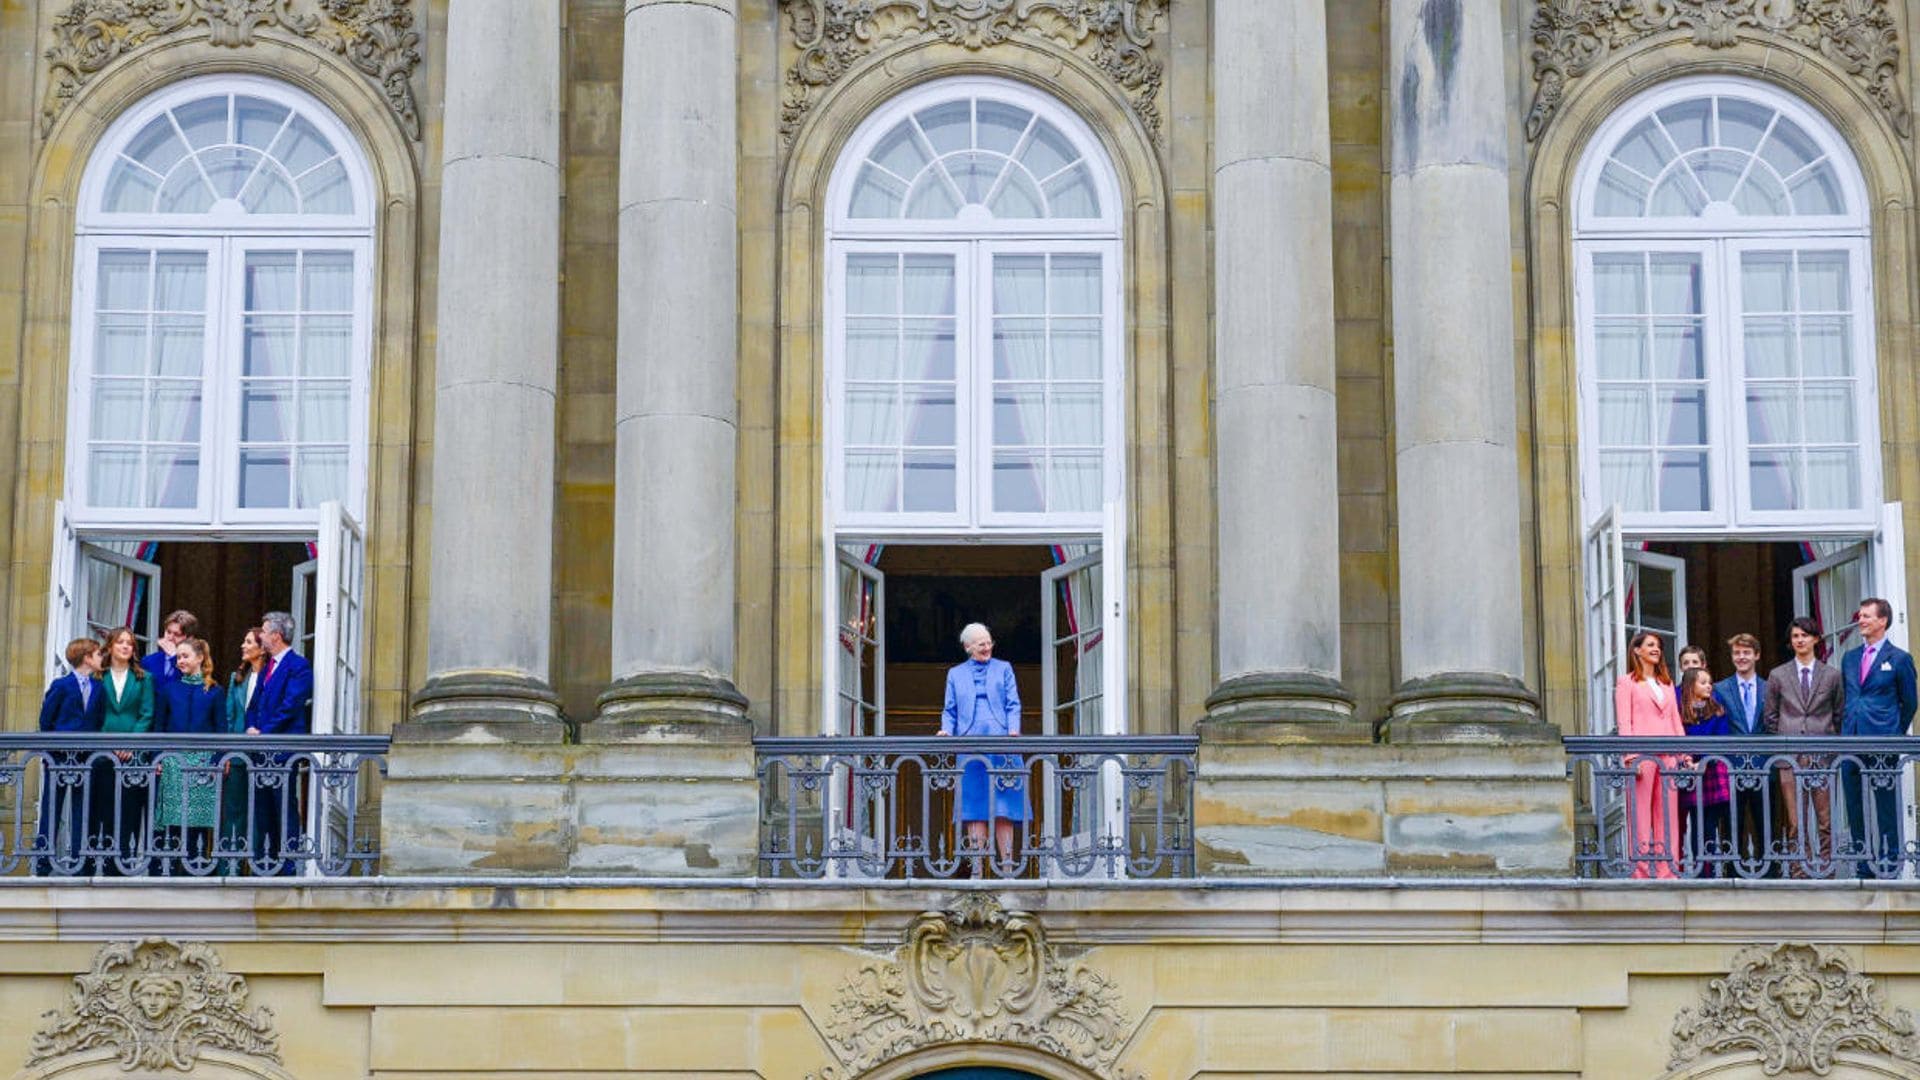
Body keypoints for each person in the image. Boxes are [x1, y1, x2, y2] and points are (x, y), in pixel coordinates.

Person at [1840, 598, 1919, 879]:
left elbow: (1909, 702)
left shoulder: (1899, 659)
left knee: (1885, 802)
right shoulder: (1849, 658)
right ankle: (1863, 861)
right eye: (1860, 616)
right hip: (1850, 738)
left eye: (1867, 616)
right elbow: (1848, 697)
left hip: (1882, 739)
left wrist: (1894, 734)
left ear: (1882, 621)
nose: (1861, 620)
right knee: (1853, 803)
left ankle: (1890, 862)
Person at [938, 622, 1025, 870]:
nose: (987, 648)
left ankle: (1007, 866)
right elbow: (950, 710)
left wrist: (1013, 730)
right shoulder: (955, 674)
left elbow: (1013, 704)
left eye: (989, 643)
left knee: (1004, 806)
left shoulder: (1004, 668)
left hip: (1002, 743)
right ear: (968, 647)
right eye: (981, 644)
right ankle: (977, 867)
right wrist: (946, 731)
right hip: (969, 744)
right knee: (973, 806)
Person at [1764, 617, 1843, 879]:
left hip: (1822, 754)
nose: (1800, 640)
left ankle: (1827, 869)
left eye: (1805, 636)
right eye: (1796, 636)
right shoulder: (1778, 675)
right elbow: (1771, 717)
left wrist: (1829, 741)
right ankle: (1800, 870)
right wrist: (1786, 742)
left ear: (1816, 639)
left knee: (1825, 820)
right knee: (1795, 820)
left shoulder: (1831, 675)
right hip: (1790, 757)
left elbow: (1838, 713)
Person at [245, 612, 312, 875]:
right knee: (262, 808)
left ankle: (288, 864)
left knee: (283, 805)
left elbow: (290, 706)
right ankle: (264, 863)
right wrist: (251, 727)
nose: (260, 635)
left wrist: (264, 732)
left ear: (276, 635)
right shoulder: (268, 666)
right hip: (261, 750)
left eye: (263, 631)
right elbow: (254, 704)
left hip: (282, 750)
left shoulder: (299, 666)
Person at [1615, 630, 1686, 879]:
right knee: (1641, 814)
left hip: (1668, 755)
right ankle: (1642, 871)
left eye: (1658, 646)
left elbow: (1676, 722)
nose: (1656, 649)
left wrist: (1683, 755)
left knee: (1667, 815)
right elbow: (1625, 721)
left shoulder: (1666, 684)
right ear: (1637, 650)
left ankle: (1669, 870)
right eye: (1650, 645)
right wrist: (1630, 755)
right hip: (1642, 755)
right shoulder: (1627, 682)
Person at [153, 638, 223, 874]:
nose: (180, 661)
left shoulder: (214, 691)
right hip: (174, 761)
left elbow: (221, 729)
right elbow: (159, 727)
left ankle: (197, 869)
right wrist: (158, 757)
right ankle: (171, 870)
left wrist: (217, 761)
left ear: (200, 658)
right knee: (174, 821)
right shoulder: (168, 689)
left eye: (185, 656)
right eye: (178, 657)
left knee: (199, 823)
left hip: (203, 764)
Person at [36, 638, 105, 874]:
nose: (101, 659)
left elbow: (98, 721)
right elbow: (47, 720)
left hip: (86, 757)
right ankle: (43, 862)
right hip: (59, 756)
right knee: (52, 808)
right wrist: (50, 752)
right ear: (86, 658)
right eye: (98, 654)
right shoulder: (62, 685)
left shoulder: (99, 688)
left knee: (81, 809)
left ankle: (79, 861)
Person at [1712, 633, 1773, 873]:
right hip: (1731, 765)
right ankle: (1732, 871)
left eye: (1746, 652)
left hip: (1764, 765)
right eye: (1737, 653)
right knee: (1731, 823)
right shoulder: (1720, 688)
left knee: (1765, 821)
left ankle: (1769, 871)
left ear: (1756, 655)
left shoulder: (1770, 687)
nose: (1741, 657)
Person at [96, 627, 155, 871]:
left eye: (129, 643)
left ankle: (126, 861)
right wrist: (108, 743)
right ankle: (105, 863)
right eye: (120, 642)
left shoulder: (143, 678)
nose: (125, 647)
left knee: (129, 810)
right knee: (104, 808)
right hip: (103, 752)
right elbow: (93, 715)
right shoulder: (98, 677)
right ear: (110, 646)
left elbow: (146, 713)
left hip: (134, 755)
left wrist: (130, 743)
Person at [1679, 667, 1733, 877]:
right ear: (1691, 685)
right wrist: (1689, 761)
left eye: (1709, 682)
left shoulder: (1717, 710)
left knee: (1711, 823)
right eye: (1703, 682)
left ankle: (1712, 869)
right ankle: (1701, 870)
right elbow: (1680, 736)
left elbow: (1722, 739)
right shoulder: (1682, 712)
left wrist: (1702, 759)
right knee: (1696, 821)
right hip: (1691, 773)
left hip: (1712, 770)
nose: (1709, 686)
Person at [222, 628, 266, 863]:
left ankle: (261, 866)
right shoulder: (237, 678)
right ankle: (229, 867)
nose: (243, 645)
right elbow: (229, 717)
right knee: (234, 813)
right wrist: (227, 753)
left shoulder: (270, 677)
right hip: (237, 754)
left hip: (263, 756)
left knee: (260, 815)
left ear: (261, 648)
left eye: (248, 642)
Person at [141, 610, 198, 688]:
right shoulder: (148, 661)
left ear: (189, 638)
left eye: (177, 634)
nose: (170, 638)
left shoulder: (196, 662)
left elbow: (190, 687)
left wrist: (174, 657)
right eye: (168, 632)